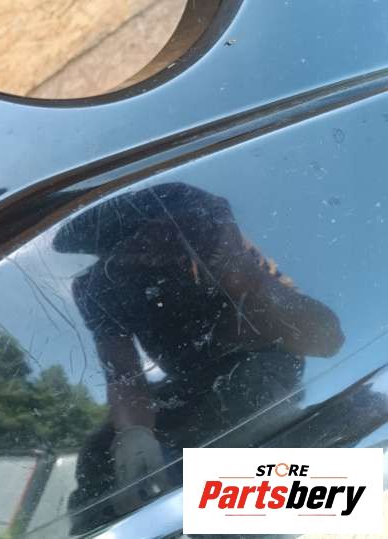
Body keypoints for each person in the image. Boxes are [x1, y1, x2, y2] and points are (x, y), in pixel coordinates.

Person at [53, 182, 345, 533]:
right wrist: (134, 432)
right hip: (188, 383)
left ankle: (279, 513)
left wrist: (237, 270)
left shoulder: (219, 247)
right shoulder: (102, 285)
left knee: (243, 402)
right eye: (127, 241)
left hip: (260, 366)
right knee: (99, 450)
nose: (150, 246)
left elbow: (327, 341)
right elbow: (123, 374)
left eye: (161, 229)